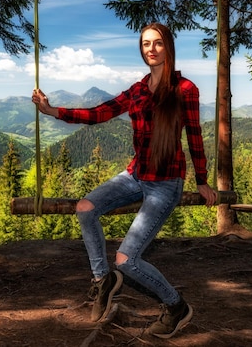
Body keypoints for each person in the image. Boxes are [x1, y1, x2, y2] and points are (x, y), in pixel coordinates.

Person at [31, 22, 218, 339]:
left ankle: (176, 306)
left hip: (166, 182)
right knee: (86, 208)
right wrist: (51, 111)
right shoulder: (137, 90)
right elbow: (100, 113)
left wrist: (202, 180)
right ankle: (102, 280)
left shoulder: (186, 90)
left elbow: (195, 137)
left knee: (127, 260)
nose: (151, 49)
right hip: (135, 174)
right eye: (146, 44)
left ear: (168, 47)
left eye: (157, 43)